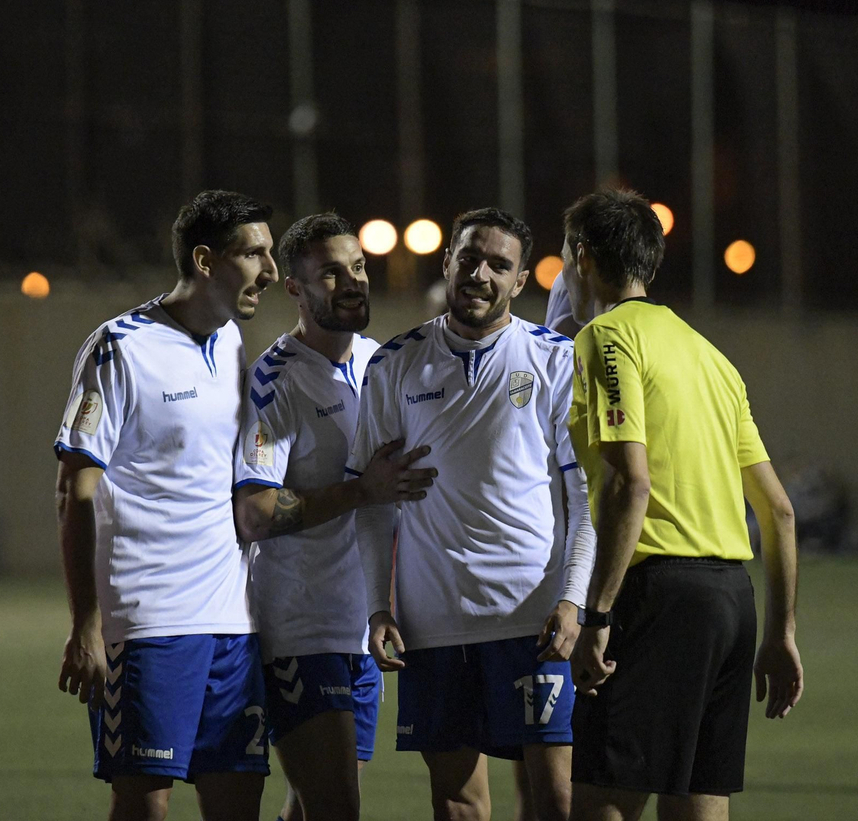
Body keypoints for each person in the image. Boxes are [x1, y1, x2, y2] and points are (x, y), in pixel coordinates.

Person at [561, 188, 802, 821]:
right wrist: (781, 632)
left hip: (658, 597)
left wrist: (598, 614)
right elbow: (778, 511)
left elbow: (628, 483)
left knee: (602, 798)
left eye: (564, 256)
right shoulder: (712, 358)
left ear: (583, 258)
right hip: (732, 600)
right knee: (697, 799)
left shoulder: (605, 339)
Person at [352, 207, 596, 821]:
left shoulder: (555, 358)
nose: (480, 273)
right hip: (433, 624)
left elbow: (586, 496)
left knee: (557, 801)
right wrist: (378, 607)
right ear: (448, 263)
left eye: (499, 264)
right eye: (469, 258)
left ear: (520, 282)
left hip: (533, 619)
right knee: (458, 803)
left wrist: (573, 601)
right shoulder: (393, 364)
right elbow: (373, 504)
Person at [55, 189, 280, 821]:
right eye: (255, 254)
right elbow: (74, 489)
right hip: (150, 622)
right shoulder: (120, 347)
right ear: (205, 261)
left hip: (234, 625)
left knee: (239, 803)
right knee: (144, 806)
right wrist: (87, 624)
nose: (271, 271)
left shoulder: (235, 342)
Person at [232, 212, 437, 821]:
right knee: (336, 811)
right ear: (294, 288)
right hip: (301, 627)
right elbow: (255, 513)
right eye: (330, 273)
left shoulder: (382, 363)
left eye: (358, 268)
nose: (352, 283)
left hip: (362, 631)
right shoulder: (276, 380)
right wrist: (361, 492)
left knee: (312, 810)